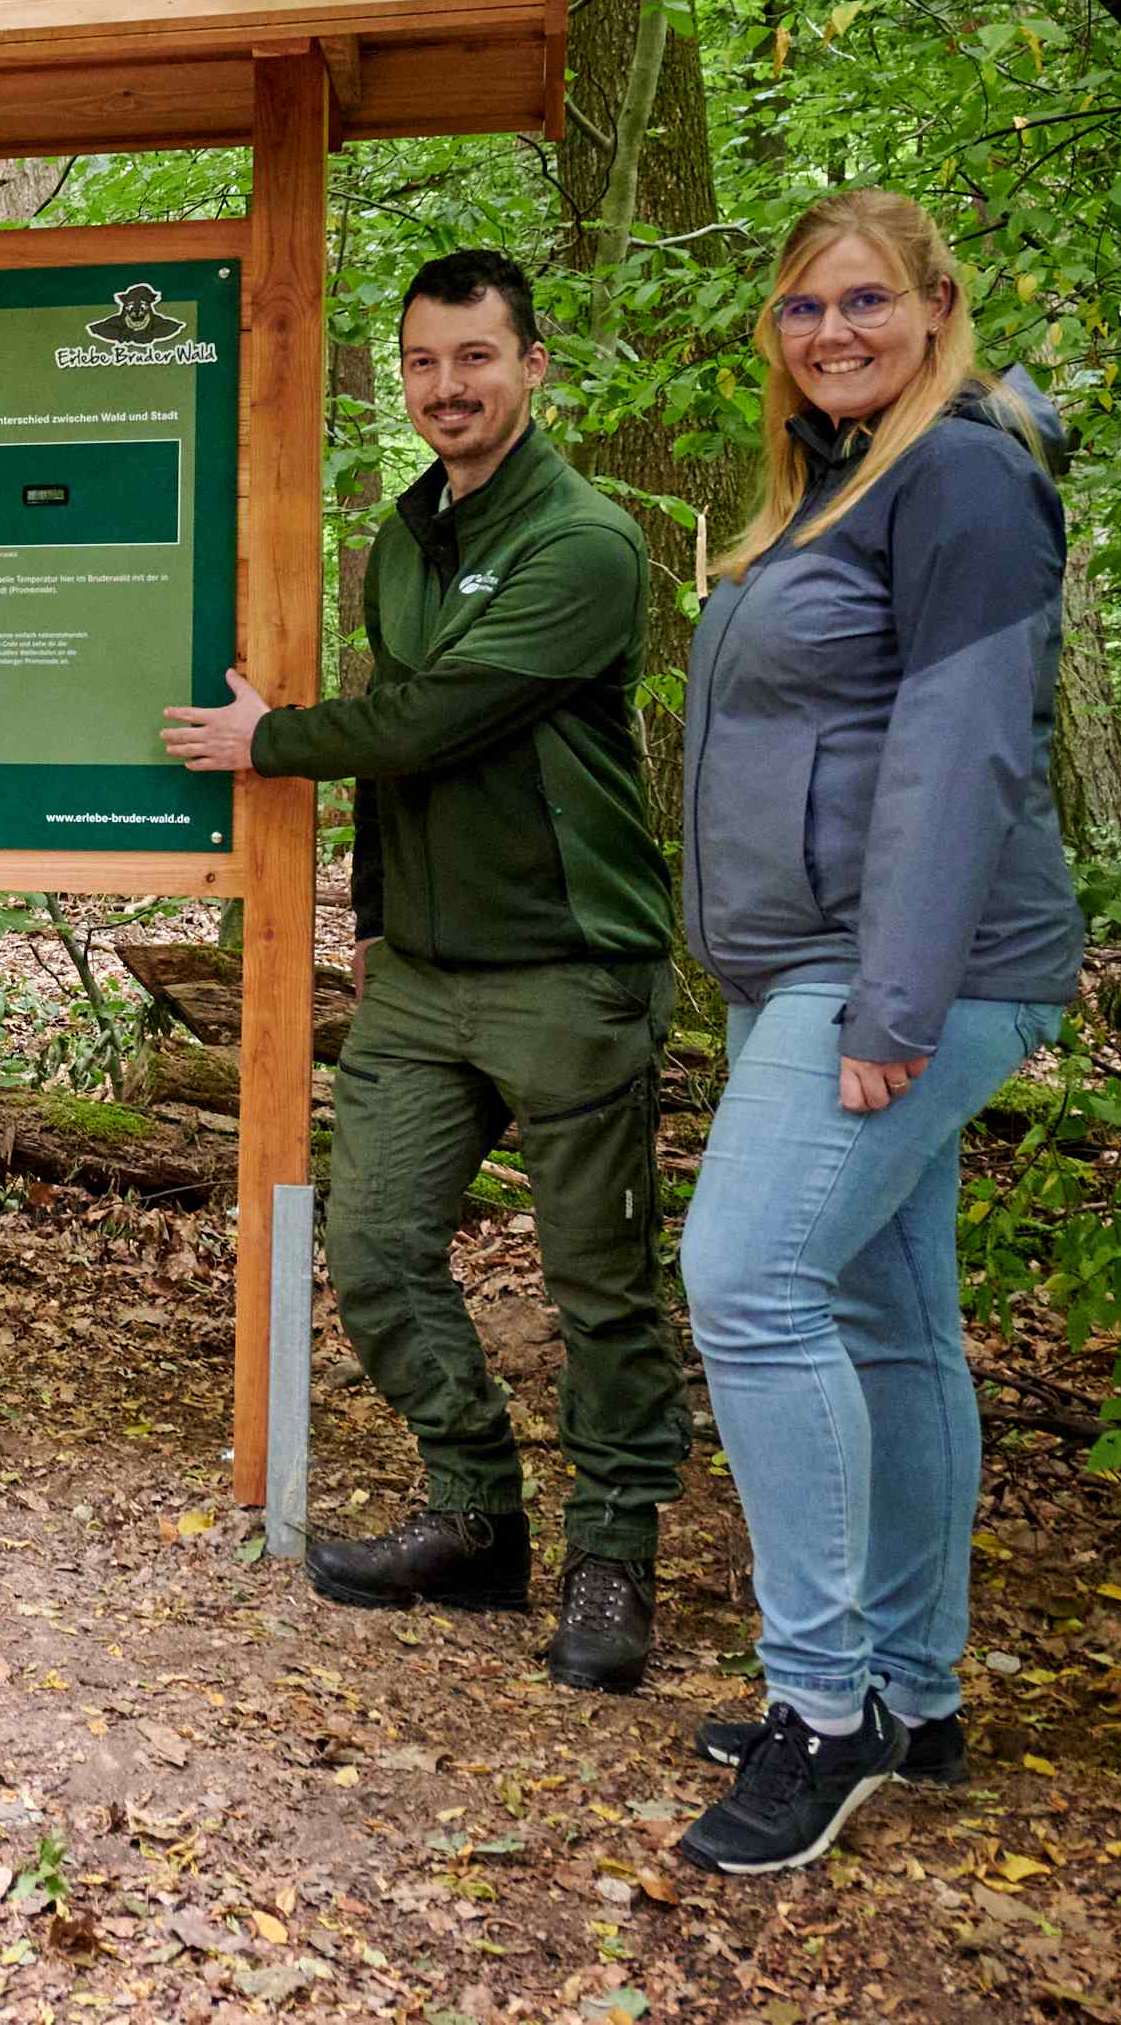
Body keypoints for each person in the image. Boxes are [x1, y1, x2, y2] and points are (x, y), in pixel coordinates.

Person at [163, 249, 683, 1693]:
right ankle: (474, 1519)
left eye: (473, 358)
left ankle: (609, 1560)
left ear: (532, 366)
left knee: (598, 1287)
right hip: (423, 975)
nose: (445, 388)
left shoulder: (582, 543)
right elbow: (404, 776)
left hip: (570, 972)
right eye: (421, 363)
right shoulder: (402, 538)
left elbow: (432, 717)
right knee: (377, 1246)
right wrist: (376, 916)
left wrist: (266, 742)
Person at [670, 189, 1080, 1874]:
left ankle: (822, 1711)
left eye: (861, 302)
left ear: (929, 305)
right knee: (889, 1319)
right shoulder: (846, 479)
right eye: (799, 308)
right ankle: (910, 1693)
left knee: (742, 1281)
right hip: (825, 965)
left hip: (899, 968)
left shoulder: (964, 473)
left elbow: (962, 750)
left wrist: (892, 1005)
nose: (828, 331)